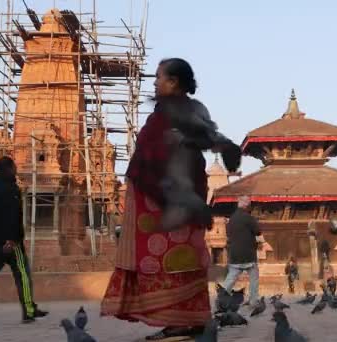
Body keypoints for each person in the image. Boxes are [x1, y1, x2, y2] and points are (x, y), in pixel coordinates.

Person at [101, 58, 240, 341]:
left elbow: (205, 138)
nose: (155, 82)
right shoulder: (180, 110)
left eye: (159, 77)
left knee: (169, 256)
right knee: (179, 254)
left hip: (169, 196)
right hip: (164, 193)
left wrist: (224, 146)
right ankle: (192, 319)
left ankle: (181, 321)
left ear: (174, 82)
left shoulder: (180, 111)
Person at [0, 156, 49, 323]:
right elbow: (11, 217)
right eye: (14, 166)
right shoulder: (10, 189)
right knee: (23, 276)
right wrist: (10, 239)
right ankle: (29, 311)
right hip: (11, 244)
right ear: (8, 169)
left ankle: (31, 309)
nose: (16, 168)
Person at [222, 195, 264, 307]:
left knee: (230, 279)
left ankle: (221, 298)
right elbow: (258, 232)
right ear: (246, 205)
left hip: (234, 255)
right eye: (249, 204)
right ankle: (253, 301)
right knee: (254, 279)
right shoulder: (249, 218)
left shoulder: (231, 220)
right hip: (249, 254)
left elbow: (228, 235)